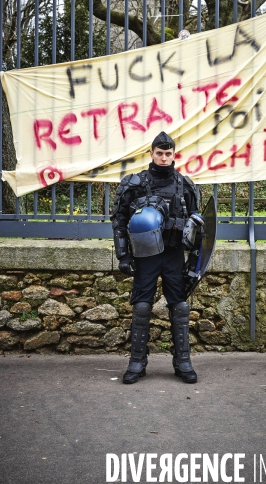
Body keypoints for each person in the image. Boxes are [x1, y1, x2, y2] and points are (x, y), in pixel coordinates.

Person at [111, 131, 203, 385]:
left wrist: (195, 259)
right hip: (145, 256)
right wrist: (123, 255)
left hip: (174, 254)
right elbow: (119, 221)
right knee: (141, 306)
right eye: (159, 153)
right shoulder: (135, 183)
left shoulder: (185, 184)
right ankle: (137, 362)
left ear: (174, 155)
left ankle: (182, 361)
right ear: (150, 154)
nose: (164, 158)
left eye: (168, 154)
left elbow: (197, 223)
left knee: (180, 306)